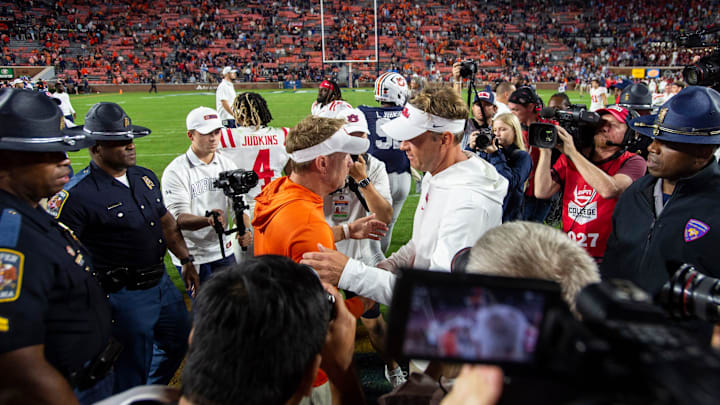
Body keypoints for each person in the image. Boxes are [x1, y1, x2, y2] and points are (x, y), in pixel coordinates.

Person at [301, 85, 508, 306]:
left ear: (445, 140)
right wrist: (389, 266)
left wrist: (349, 273)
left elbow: (439, 294)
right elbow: (421, 242)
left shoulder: (469, 203)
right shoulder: (438, 172)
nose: (402, 146)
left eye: (411, 137)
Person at [51, 102, 197, 394]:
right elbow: (62, 256)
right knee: (130, 362)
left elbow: (166, 222)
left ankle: (148, 392)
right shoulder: (76, 196)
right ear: (95, 147)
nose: (130, 145)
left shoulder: (143, 177)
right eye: (119, 141)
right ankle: (130, 396)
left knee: (178, 340)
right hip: (123, 294)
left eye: (130, 137)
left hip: (162, 284)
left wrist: (186, 258)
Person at [252, 114, 385, 403]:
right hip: (306, 368)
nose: (351, 162)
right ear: (322, 163)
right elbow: (323, 323)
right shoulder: (307, 223)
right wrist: (366, 300)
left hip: (273, 334)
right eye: (345, 155)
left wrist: (346, 230)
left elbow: (293, 236)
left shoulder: (279, 190)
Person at [0, 89, 113, 405]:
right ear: (7, 160)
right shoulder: (7, 239)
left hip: (88, 374)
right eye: (50, 152)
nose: (66, 160)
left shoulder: (29, 209)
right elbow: (20, 368)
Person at [601, 86, 720, 296]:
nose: (652, 148)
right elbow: (613, 262)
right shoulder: (635, 193)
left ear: (703, 152)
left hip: (684, 329)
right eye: (654, 137)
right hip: (624, 323)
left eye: (667, 142)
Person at [534, 105, 647, 261]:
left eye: (613, 125)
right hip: (571, 253)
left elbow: (609, 190)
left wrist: (573, 153)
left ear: (630, 133)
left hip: (609, 256)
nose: (604, 128)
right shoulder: (572, 157)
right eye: (602, 123)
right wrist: (545, 151)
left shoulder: (633, 162)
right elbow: (542, 191)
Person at [162, 106, 251, 288]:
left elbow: (238, 204)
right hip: (194, 255)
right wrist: (207, 220)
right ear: (190, 135)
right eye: (206, 133)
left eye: (217, 132)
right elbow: (177, 218)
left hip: (224, 250)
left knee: (233, 305)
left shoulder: (227, 163)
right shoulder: (176, 172)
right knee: (205, 310)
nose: (213, 138)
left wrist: (246, 228)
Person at [219, 92, 290, 261]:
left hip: (245, 208)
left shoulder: (227, 137)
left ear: (239, 112)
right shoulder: (284, 135)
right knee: (278, 266)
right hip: (276, 207)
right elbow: (293, 175)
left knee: (246, 273)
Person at [358, 71, 411, 253]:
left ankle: (369, 265)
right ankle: (380, 262)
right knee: (388, 225)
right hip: (403, 176)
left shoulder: (364, 112)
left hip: (377, 177)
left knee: (372, 224)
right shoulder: (408, 113)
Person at [471, 113, 532, 222]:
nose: (497, 134)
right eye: (494, 130)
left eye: (503, 129)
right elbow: (467, 174)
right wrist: (471, 148)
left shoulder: (522, 156)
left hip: (508, 220)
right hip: (484, 217)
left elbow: (508, 183)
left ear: (514, 131)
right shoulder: (488, 152)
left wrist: (495, 154)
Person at [507, 86, 554, 223]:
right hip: (519, 191)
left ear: (531, 107)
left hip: (541, 191)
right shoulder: (513, 130)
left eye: (516, 110)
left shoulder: (549, 127)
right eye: (511, 109)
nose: (513, 113)